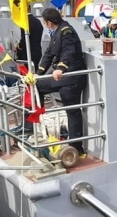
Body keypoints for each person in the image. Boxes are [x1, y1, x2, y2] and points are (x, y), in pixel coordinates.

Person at [30, 8, 88, 158]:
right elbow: (49, 54)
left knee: (72, 109)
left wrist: (60, 68)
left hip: (72, 78)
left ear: (49, 23)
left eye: (44, 22)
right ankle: (36, 127)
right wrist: (38, 74)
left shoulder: (66, 32)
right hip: (62, 77)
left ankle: (77, 148)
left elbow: (69, 52)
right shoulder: (57, 32)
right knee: (36, 86)